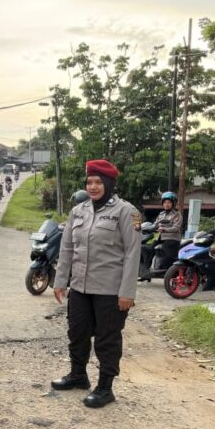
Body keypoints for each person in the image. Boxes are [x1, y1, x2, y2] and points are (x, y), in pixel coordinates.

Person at [51, 160, 141, 408]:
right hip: (80, 287)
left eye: (98, 182)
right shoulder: (78, 211)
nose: (93, 186)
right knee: (77, 333)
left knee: (107, 339)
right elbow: (67, 247)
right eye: (89, 182)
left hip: (110, 291)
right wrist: (60, 281)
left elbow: (133, 253)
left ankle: (105, 387)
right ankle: (78, 375)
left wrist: (127, 292)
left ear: (109, 183)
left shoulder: (127, 212)